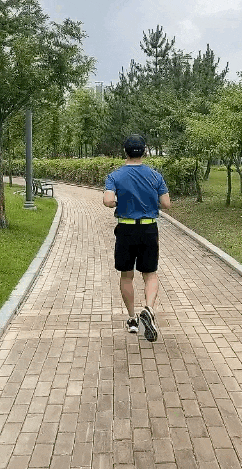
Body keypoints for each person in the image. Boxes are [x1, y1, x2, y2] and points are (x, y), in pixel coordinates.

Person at [103, 134, 171, 342]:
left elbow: (107, 201)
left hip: (126, 229)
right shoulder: (155, 176)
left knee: (126, 275)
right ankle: (148, 309)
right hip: (149, 228)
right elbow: (166, 203)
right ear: (144, 151)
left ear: (125, 151)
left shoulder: (115, 176)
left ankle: (132, 319)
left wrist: (118, 202)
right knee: (150, 273)